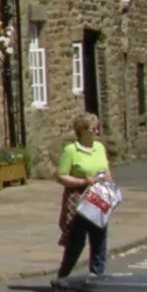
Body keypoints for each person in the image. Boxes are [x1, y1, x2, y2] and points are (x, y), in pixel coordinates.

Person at [54, 112, 113, 281]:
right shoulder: (71, 150)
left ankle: (97, 278)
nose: (96, 132)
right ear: (82, 130)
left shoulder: (99, 148)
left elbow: (106, 169)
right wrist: (83, 181)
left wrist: (110, 185)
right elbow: (61, 176)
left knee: (99, 241)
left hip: (99, 198)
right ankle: (62, 277)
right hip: (79, 201)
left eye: (97, 128)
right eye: (93, 129)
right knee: (76, 243)